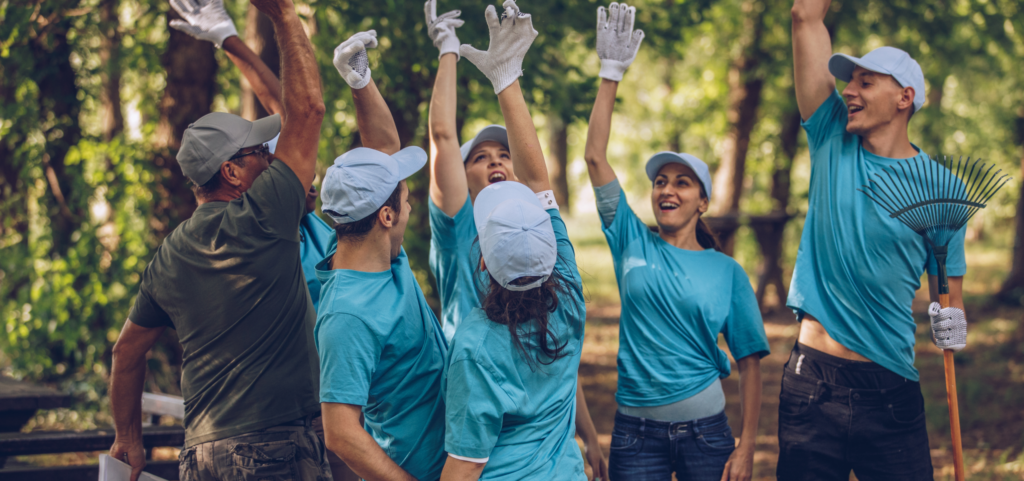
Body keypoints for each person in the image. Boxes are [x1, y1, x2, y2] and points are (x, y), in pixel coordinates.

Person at [107, 0, 330, 479]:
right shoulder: (264, 218)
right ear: (231, 172)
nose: (270, 160)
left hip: (202, 455)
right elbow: (306, 111)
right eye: (257, 154)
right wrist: (285, 17)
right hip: (273, 451)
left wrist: (128, 438)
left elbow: (126, 352)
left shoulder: (169, 255)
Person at [581, 4, 770, 480]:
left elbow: (749, 364)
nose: (668, 189)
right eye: (661, 181)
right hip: (634, 436)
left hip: (707, 437)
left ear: (702, 202)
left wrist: (746, 447)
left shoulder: (727, 272)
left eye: (683, 183)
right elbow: (594, 156)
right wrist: (610, 74)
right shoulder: (630, 241)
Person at [781, 0, 969, 479]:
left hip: (890, 390)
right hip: (812, 384)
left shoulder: (945, 190)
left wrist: (953, 323)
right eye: (849, 81)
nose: (850, 91)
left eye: (866, 82)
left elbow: (952, 298)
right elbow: (805, 17)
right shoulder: (830, 138)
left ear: (904, 97)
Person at [424, 1, 607, 478]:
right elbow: (535, 178)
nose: (495, 162)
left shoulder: (476, 343)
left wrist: (451, 52)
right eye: (479, 156)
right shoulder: (568, 292)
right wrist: (506, 78)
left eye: (502, 153)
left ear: (483, 262)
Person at [313, 29, 449, 481]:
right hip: (420, 471)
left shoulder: (378, 252)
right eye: (405, 200)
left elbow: (386, 152)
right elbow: (340, 432)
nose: (411, 204)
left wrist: (359, 81)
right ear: (387, 216)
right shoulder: (348, 315)